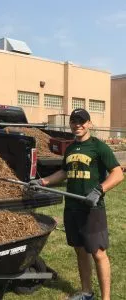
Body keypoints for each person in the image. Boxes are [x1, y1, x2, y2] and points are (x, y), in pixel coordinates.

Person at [29, 108, 123, 300]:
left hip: (92, 209)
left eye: (82, 121)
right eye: (74, 121)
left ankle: (106, 298)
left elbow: (118, 173)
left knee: (98, 253)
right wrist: (43, 181)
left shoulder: (99, 147)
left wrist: (99, 190)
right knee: (80, 250)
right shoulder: (71, 148)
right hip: (72, 208)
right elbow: (64, 172)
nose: (77, 125)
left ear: (89, 124)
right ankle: (86, 292)